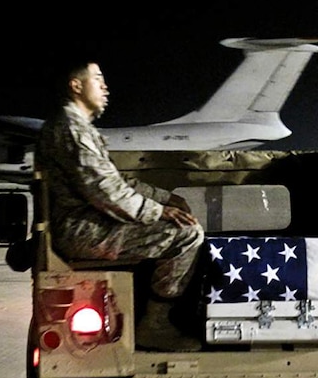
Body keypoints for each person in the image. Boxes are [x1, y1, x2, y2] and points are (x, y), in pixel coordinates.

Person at [34, 59, 205, 352]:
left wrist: (165, 198)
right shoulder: (72, 130)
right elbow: (107, 192)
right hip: (84, 230)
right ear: (76, 86)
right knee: (186, 235)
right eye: (97, 79)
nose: (105, 86)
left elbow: (118, 182)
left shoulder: (74, 128)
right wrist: (159, 211)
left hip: (89, 224)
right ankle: (155, 326)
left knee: (179, 225)